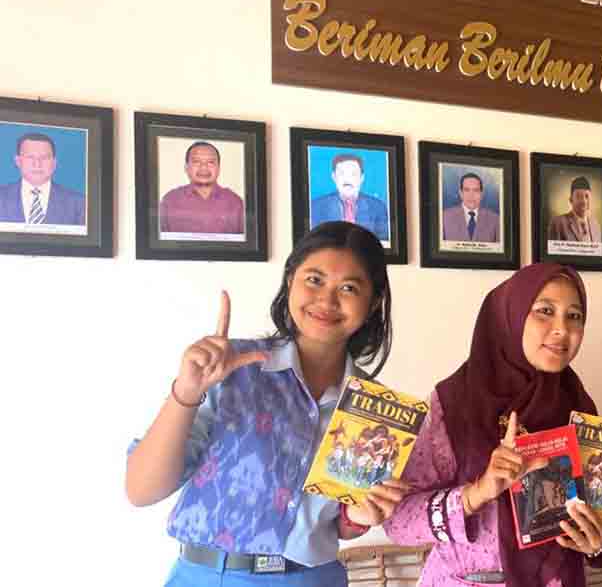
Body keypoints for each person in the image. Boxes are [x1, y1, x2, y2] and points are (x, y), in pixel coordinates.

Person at [125, 222, 404, 587]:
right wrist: (187, 392)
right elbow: (141, 491)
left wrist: (360, 517)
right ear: (290, 281)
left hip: (313, 579)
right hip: (209, 577)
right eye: (314, 279)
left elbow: (338, 524)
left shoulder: (373, 407)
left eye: (349, 288)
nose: (327, 300)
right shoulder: (229, 366)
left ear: (374, 302)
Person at [382, 263, 602, 586]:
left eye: (574, 316)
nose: (562, 329)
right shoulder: (453, 404)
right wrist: (478, 492)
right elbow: (397, 521)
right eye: (545, 311)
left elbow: (601, 521)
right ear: (510, 316)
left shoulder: (580, 407)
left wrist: (595, 544)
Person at [159, 141, 246, 235]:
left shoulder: (235, 203)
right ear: (186, 168)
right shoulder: (170, 201)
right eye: (196, 162)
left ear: (218, 168)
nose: (204, 167)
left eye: (210, 162)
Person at [0, 132, 85, 225]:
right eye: (30, 157)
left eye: (44, 157)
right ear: (18, 161)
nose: (37, 164)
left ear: (54, 163)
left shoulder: (79, 203)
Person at [310, 153, 390, 241]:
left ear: (362, 178)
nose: (347, 179)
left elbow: (385, 243)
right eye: (342, 174)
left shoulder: (378, 207)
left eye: (353, 174)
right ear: (334, 177)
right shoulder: (316, 206)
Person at [441, 172, 500, 242]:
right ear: (461, 193)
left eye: (476, 190)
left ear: (481, 194)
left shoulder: (495, 219)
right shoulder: (444, 217)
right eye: (467, 190)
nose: (471, 195)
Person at [548, 176, 602, 243]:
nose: (584, 201)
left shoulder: (596, 226)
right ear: (571, 199)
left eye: (587, 196)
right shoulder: (557, 223)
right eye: (578, 196)